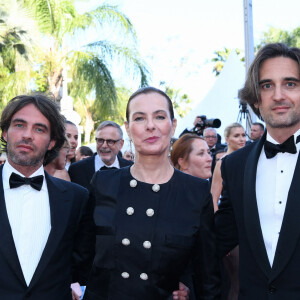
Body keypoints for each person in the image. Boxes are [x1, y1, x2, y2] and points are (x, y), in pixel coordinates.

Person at [83, 87, 220, 300]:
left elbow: (207, 274)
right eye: (139, 118)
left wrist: (187, 288)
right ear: (127, 129)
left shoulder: (196, 191)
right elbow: (82, 256)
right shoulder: (103, 183)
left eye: (159, 116)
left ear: (172, 125)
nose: (150, 126)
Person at [215, 43, 300, 299]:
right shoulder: (235, 165)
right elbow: (220, 236)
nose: (278, 95)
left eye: (290, 84)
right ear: (255, 97)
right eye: (267, 85)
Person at [0, 94, 95, 300]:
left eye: (39, 129)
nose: (27, 135)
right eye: (19, 125)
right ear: (5, 133)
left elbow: (82, 263)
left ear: (52, 142)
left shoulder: (76, 198)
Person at [69, 121, 133, 190]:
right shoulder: (77, 170)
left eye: (110, 141)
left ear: (121, 144)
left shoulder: (131, 169)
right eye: (100, 140)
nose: (104, 146)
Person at [211, 122, 246, 212]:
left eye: (243, 135)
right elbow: (214, 198)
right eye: (236, 136)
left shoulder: (249, 160)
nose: (241, 139)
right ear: (227, 140)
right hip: (229, 214)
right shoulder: (222, 163)